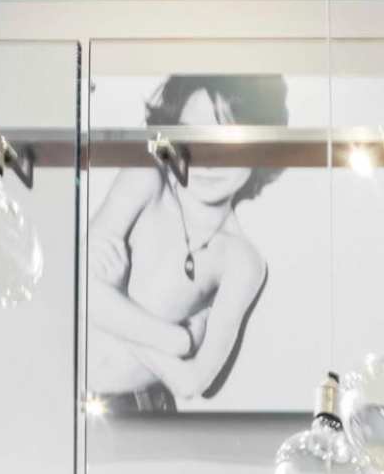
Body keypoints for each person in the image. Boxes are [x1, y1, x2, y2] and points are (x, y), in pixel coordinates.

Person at [85, 75, 284, 414]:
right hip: (58, 388)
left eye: (228, 140)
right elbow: (78, 289)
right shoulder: (144, 179)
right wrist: (178, 340)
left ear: (259, 148)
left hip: (139, 412)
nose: (208, 159)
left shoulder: (241, 260)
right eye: (192, 136)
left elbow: (192, 382)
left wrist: (116, 299)